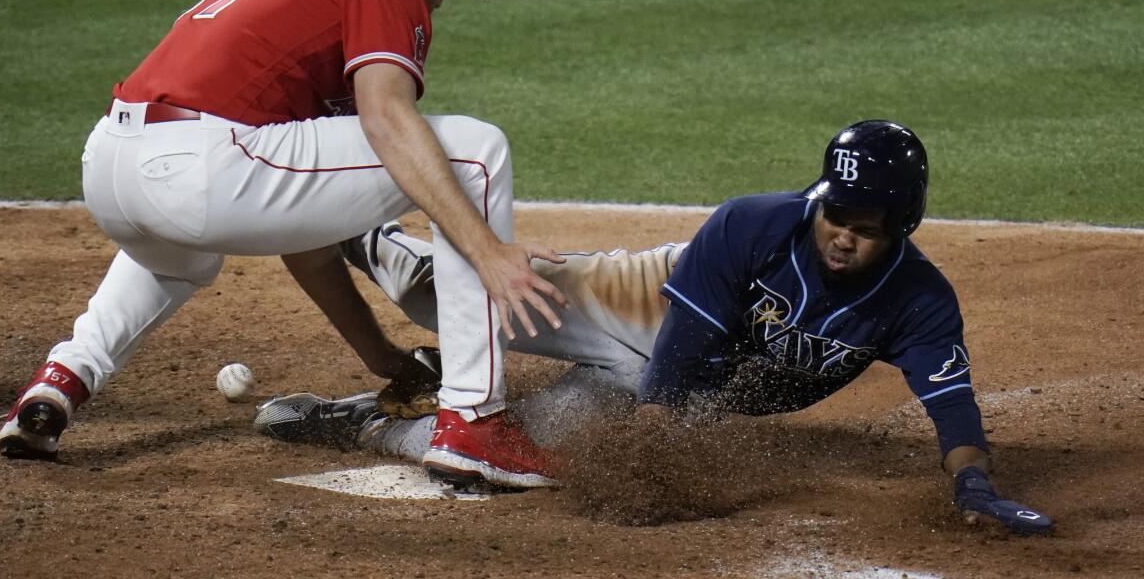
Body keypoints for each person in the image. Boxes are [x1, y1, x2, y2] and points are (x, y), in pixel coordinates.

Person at [0, 0, 569, 490]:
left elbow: (306, 237)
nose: (441, 0)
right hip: (206, 161)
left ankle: (60, 381)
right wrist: (488, 252)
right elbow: (387, 118)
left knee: (177, 254)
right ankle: (475, 424)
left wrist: (385, 361)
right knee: (474, 154)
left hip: (113, 164)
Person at [256, 120, 1053, 533]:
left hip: (660, 381)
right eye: (834, 213)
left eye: (865, 224)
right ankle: (355, 231)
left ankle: (359, 420)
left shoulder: (918, 300)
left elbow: (951, 401)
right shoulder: (754, 225)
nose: (842, 233)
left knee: (515, 449)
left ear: (903, 225)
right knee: (449, 296)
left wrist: (971, 481)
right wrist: (653, 450)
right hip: (642, 302)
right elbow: (686, 343)